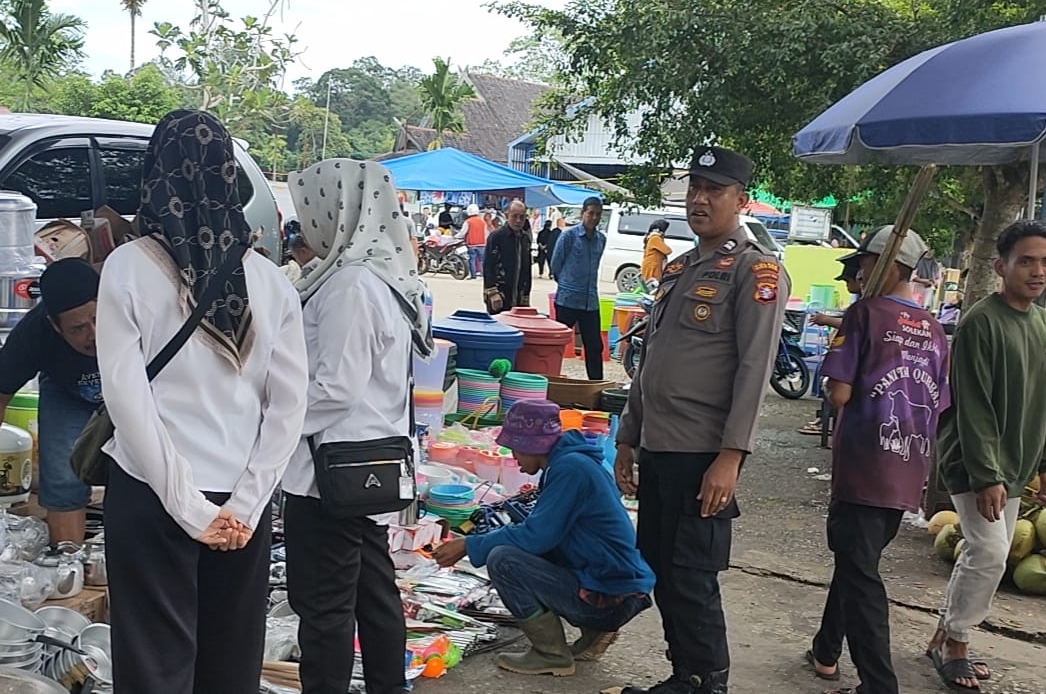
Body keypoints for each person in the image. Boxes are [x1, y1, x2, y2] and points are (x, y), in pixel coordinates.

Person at [97, 110, 309, 693]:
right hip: (241, 502)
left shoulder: (128, 267)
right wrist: (244, 502)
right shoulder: (270, 280)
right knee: (231, 662)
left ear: (156, 172)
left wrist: (188, 507)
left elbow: (127, 395)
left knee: (153, 663)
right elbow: (289, 407)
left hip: (150, 493)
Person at [615, 146, 788, 694]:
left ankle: (707, 680)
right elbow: (651, 361)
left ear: (740, 200)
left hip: (703, 453)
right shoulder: (679, 268)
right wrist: (627, 438)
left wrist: (731, 457)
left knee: (692, 576)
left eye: (714, 190)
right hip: (660, 446)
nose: (700, 199)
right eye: (695, 187)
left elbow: (754, 369)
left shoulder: (755, 271)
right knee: (660, 570)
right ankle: (683, 673)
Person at [283, 158, 431, 694]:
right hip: (362, 467)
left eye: (311, 213)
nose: (307, 226)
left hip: (331, 473)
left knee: (324, 608)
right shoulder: (381, 276)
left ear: (339, 210)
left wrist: (273, 426)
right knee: (373, 592)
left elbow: (337, 389)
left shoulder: (350, 284)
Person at [807, 227, 950, 694]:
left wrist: (835, 379)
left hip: (865, 462)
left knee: (860, 571)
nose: (860, 271)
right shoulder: (933, 328)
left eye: (866, 262)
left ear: (891, 266)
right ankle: (827, 650)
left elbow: (840, 391)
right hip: (908, 465)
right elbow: (941, 404)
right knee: (857, 560)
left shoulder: (863, 313)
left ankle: (879, 684)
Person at [927, 220, 1046, 692]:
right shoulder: (980, 322)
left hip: (1018, 463)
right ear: (1000, 265)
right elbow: (974, 405)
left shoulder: (1045, 321)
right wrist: (987, 475)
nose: (1038, 270)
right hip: (974, 462)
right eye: (1026, 260)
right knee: (988, 553)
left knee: (987, 556)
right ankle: (957, 643)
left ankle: (942, 633)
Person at [433, 400, 654, 676]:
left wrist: (468, 544)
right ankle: (595, 632)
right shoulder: (570, 462)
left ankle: (550, 653)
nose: (514, 457)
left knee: (503, 560)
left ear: (533, 445)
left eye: (515, 449)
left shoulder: (571, 469)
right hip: (614, 584)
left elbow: (536, 537)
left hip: (612, 594)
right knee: (517, 542)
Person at [0, 258, 101, 544]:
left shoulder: (137, 310)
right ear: (55, 327)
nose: (93, 335)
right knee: (62, 477)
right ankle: (67, 565)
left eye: (97, 319)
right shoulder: (31, 336)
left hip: (139, 388)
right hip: (67, 393)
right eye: (78, 329)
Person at [798, 256, 861, 438]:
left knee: (829, 374)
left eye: (847, 281)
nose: (846, 286)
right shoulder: (859, 300)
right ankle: (824, 416)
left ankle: (827, 417)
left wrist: (825, 320)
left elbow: (851, 325)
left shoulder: (867, 305)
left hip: (851, 357)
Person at [550, 198, 607, 380]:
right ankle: (552, 378)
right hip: (567, 299)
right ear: (583, 213)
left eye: (598, 214)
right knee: (557, 344)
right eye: (590, 213)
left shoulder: (601, 239)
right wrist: (567, 284)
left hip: (590, 301)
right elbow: (556, 265)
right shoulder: (569, 236)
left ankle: (596, 384)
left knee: (594, 346)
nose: (594, 218)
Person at [484, 201, 533, 314]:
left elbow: (527, 268)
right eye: (514, 216)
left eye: (522, 217)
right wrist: (492, 292)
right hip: (499, 294)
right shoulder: (496, 236)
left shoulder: (525, 239)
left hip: (519, 294)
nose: (518, 220)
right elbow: (488, 266)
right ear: (507, 216)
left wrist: (526, 294)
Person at [456, 204, 488, 278]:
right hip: (482, 244)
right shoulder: (482, 222)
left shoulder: (468, 221)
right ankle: (483, 275)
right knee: (482, 260)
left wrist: (455, 237)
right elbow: (486, 233)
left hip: (471, 244)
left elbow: (463, 233)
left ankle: (473, 275)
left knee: (472, 259)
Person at [641, 218, 673, 287]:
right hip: (652, 267)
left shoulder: (652, 237)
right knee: (652, 287)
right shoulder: (655, 238)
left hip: (652, 266)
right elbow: (668, 250)